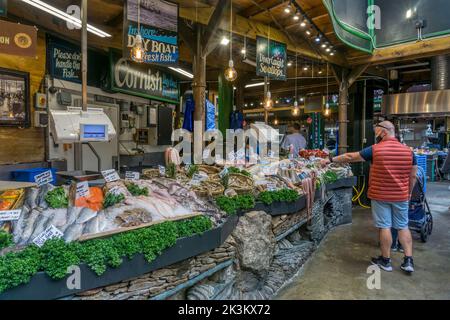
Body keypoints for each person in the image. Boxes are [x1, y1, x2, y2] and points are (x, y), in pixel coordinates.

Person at [321, 121, 417, 274]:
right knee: (402, 226)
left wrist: (330, 160)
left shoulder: (375, 149)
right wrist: (409, 193)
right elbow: (413, 175)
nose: (376, 135)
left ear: (384, 132)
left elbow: (350, 156)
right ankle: (408, 260)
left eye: (377, 132)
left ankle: (385, 261)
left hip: (381, 195)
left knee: (385, 226)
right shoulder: (408, 151)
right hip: (401, 195)